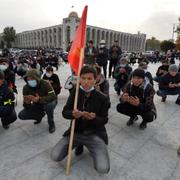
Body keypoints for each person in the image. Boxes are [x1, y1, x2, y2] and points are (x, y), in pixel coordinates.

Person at [51, 65, 110, 174]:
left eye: (89, 78)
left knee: (103, 168)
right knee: (55, 156)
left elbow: (104, 119)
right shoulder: (75, 92)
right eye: (83, 78)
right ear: (79, 79)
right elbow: (65, 112)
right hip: (75, 132)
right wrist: (73, 114)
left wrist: (94, 118)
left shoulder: (103, 98)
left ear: (95, 79)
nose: (86, 82)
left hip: (94, 134)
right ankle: (79, 144)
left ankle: (91, 147)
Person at [18, 69, 57, 133]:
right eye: (28, 79)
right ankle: (39, 116)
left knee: (49, 107)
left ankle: (51, 123)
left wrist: (39, 99)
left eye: (32, 79)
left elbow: (53, 96)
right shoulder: (26, 88)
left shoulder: (45, 83)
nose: (30, 81)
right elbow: (26, 105)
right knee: (21, 115)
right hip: (37, 104)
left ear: (37, 78)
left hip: (49, 102)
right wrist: (27, 103)